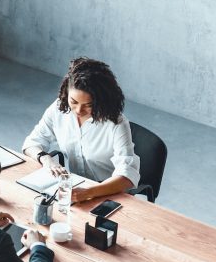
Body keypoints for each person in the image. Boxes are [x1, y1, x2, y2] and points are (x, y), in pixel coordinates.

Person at [22, 57, 140, 203]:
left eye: (88, 105)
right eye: (74, 102)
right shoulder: (59, 108)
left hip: (108, 193)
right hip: (75, 189)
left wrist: (89, 192)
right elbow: (31, 143)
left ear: (101, 100)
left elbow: (127, 176)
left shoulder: (117, 124)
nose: (78, 110)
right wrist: (47, 160)